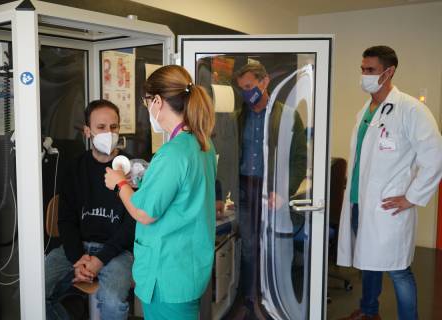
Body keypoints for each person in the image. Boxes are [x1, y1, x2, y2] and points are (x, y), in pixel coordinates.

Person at [337, 46, 442, 320]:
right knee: (367, 261)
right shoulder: (366, 111)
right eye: (362, 69)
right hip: (360, 201)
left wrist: (412, 196)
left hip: (389, 206)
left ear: (389, 72)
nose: (364, 75)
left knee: (398, 270)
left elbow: (435, 156)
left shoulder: (411, 109)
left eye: (370, 70)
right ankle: (369, 311)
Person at [104, 65, 217, 320]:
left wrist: (120, 183)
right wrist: (145, 178)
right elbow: (182, 195)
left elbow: (143, 213)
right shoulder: (201, 144)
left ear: (157, 101)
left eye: (147, 102)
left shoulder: (173, 152)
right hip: (187, 266)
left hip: (167, 272)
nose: (148, 110)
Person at [45, 99, 135, 320]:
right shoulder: (74, 168)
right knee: (31, 293)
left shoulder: (133, 170)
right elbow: (65, 220)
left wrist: (99, 259)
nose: (109, 133)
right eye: (101, 128)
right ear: (87, 131)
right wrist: (78, 259)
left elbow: (132, 224)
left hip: (118, 252)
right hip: (76, 249)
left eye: (113, 127)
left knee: (113, 302)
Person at [233, 62, 307, 316]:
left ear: (265, 83)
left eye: (250, 86)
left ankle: (274, 299)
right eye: (242, 88)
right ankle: (250, 299)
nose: (246, 92)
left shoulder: (287, 115)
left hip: (273, 192)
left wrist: (284, 190)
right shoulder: (238, 116)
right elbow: (230, 156)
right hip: (245, 190)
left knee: (274, 248)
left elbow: (299, 158)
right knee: (249, 248)